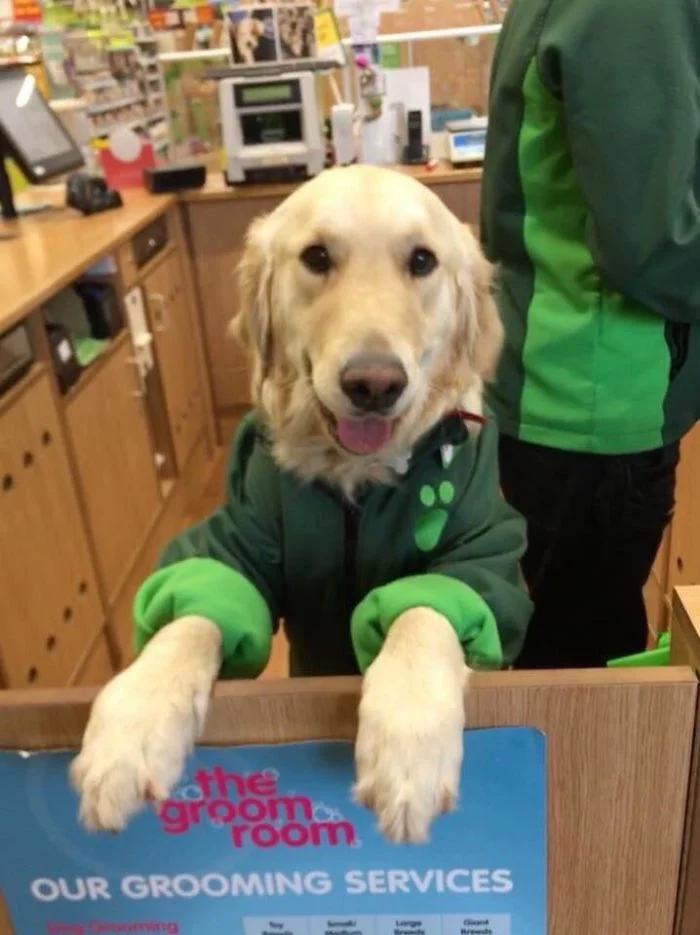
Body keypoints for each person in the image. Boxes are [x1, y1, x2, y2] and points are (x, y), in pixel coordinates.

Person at [480, 0, 700, 668]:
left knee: (558, 656)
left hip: (565, 387)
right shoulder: (634, 10)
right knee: (581, 678)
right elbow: (654, 245)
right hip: (597, 400)